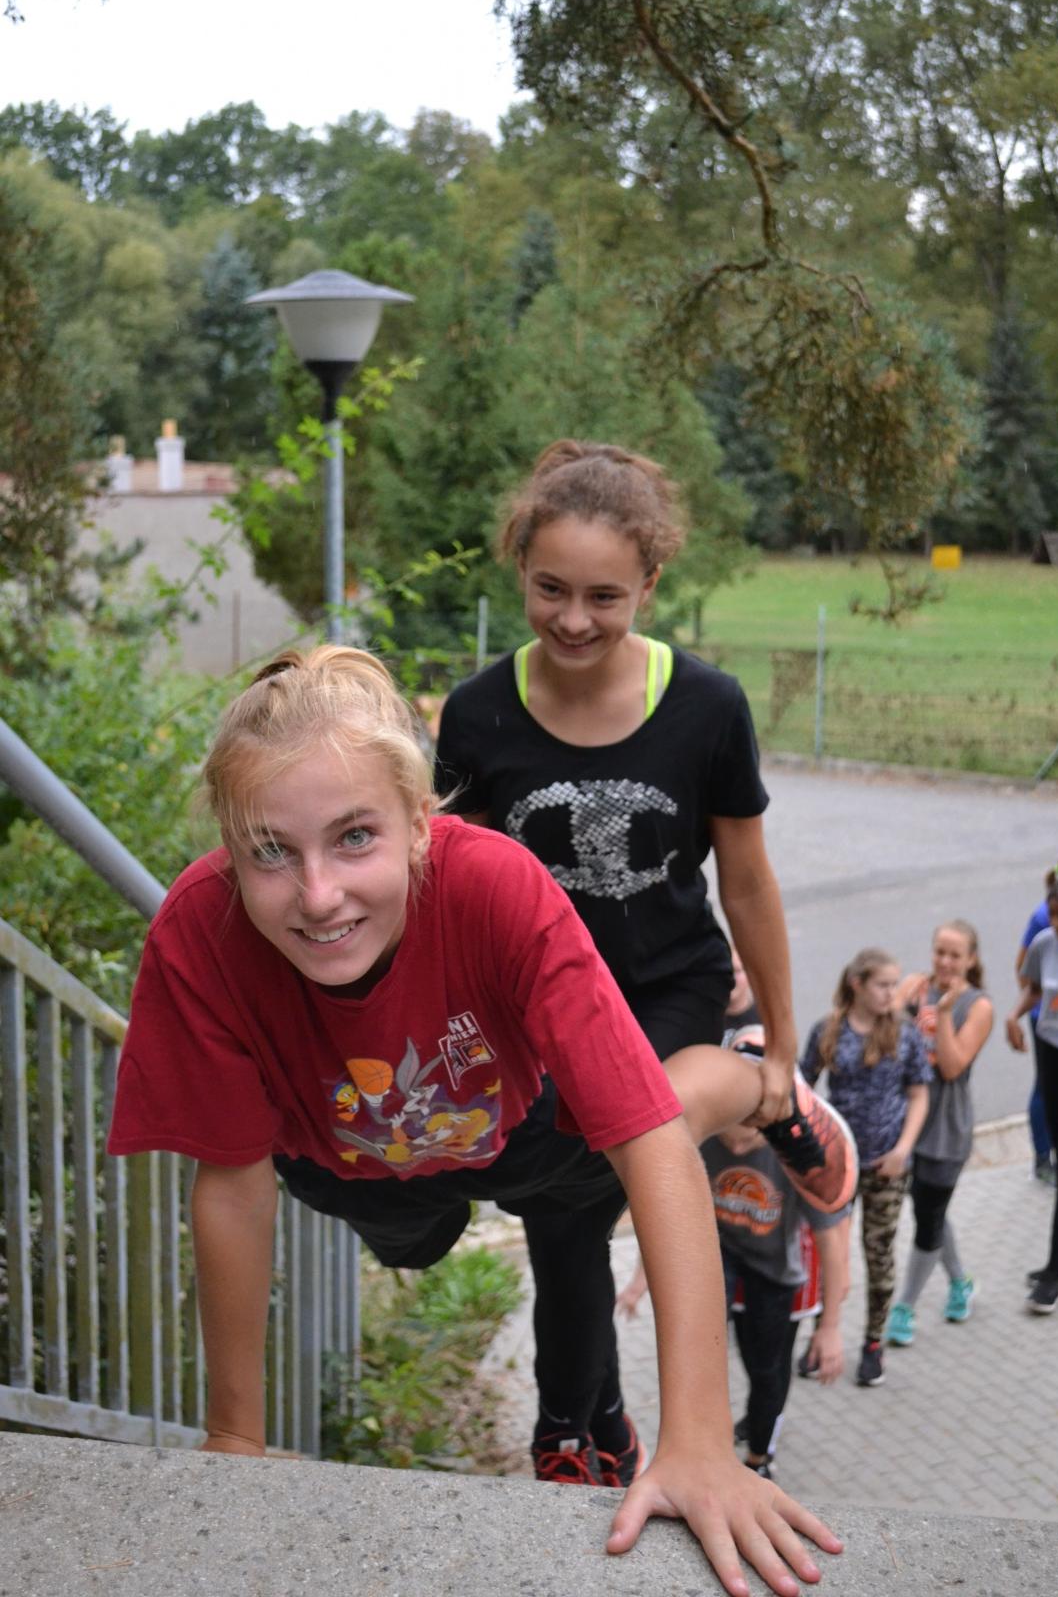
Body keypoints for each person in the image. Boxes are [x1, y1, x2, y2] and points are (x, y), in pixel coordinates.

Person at [108, 645, 846, 1597]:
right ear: (228, 843)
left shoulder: (495, 884)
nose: (319, 895)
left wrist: (699, 1442)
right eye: (271, 852)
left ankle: (756, 1083)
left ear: (421, 822)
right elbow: (234, 1186)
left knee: (638, 1132)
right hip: (353, 1161)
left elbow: (649, 1144)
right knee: (419, 1244)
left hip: (522, 1125)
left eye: (355, 837)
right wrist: (235, 1438)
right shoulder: (196, 931)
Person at [434, 440, 854, 1481]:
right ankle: (595, 1427)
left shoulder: (706, 706)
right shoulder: (477, 715)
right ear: (519, 566)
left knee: (630, 1137)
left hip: (666, 987)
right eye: (550, 589)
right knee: (562, 1210)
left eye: (604, 597)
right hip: (535, 1006)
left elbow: (745, 882)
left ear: (650, 583)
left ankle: (761, 1089)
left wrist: (784, 1041)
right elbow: (455, 894)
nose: (574, 619)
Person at [618, 1026, 851, 1482]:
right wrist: (639, 1281)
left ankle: (760, 1456)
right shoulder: (698, 1125)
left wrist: (830, 1327)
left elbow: (833, 1240)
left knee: (767, 1370)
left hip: (775, 1271)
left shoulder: (800, 1148)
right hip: (722, 1254)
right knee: (704, 1356)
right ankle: (709, 1441)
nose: (740, 1143)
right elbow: (666, 1210)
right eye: (732, 1125)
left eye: (752, 1125)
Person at [798, 949, 931, 1388]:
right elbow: (802, 1089)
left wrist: (903, 1149)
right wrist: (813, 1148)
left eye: (894, 984)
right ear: (857, 984)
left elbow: (919, 1094)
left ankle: (873, 1344)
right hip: (838, 1166)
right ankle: (822, 1336)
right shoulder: (829, 1031)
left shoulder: (905, 1033)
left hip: (886, 1166)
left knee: (879, 1254)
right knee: (828, 1255)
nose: (892, 993)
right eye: (883, 985)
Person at [885, 922, 993, 1349]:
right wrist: (897, 1004)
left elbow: (951, 1067)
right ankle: (961, 1282)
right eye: (940, 952)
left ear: (971, 960)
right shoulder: (915, 988)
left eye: (955, 955)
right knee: (930, 1209)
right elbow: (885, 1041)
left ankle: (904, 1307)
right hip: (906, 1122)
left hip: (946, 1130)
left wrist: (943, 1014)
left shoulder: (977, 1006)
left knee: (928, 1216)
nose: (945, 962)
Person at [1007, 871, 1058, 1313]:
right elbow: (1033, 990)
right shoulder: (1045, 944)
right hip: (1049, 1053)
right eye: (1055, 915)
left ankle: (1053, 1274)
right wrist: (1013, 1016)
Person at [1015, 855, 1058, 1186]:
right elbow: (1026, 973)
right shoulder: (1042, 923)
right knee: (1045, 1091)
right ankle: (1042, 1155)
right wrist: (1033, 1008)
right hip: (1047, 1027)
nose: (1056, 923)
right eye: (1054, 916)